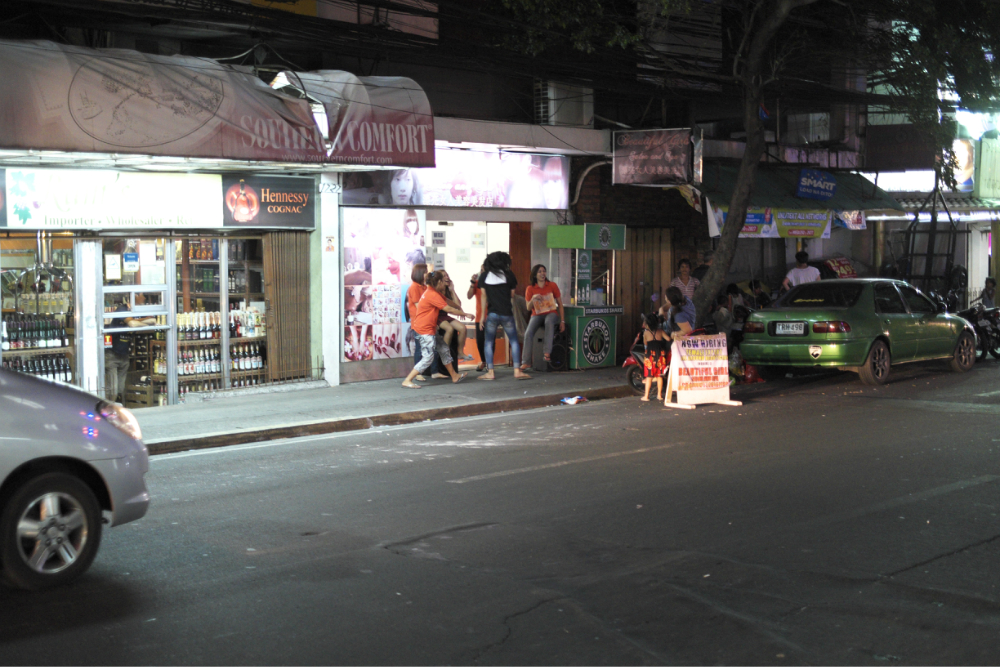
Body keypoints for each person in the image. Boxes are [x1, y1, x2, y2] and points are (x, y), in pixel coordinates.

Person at [402, 271, 473, 389]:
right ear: (439, 282)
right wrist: (465, 314)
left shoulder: (433, 292)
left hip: (430, 328)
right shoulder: (432, 294)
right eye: (443, 281)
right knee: (428, 357)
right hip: (424, 330)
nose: (445, 283)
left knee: (444, 349)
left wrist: (459, 307)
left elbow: (448, 302)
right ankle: (407, 380)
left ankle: (454, 376)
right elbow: (448, 308)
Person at [477, 251, 531, 380]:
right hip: (507, 313)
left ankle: (490, 372)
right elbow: (512, 295)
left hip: (492, 314)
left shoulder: (484, 276)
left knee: (488, 342)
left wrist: (482, 317)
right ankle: (517, 371)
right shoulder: (509, 275)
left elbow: (483, 296)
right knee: (514, 341)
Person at [104, 295, 156, 403]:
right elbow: (132, 324)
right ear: (135, 296)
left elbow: (152, 320)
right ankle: (109, 409)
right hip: (111, 354)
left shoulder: (137, 311)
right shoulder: (122, 309)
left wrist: (138, 322)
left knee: (120, 389)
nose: (145, 298)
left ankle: (117, 408)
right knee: (112, 390)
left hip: (124, 355)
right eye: (142, 295)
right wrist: (139, 322)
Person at [521, 264, 565, 371]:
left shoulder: (552, 285)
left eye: (544, 271)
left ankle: (547, 353)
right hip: (537, 314)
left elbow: (560, 304)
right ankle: (526, 362)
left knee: (549, 321)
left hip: (551, 313)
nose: (542, 273)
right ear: (535, 275)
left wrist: (562, 321)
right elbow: (528, 307)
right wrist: (533, 298)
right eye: (540, 272)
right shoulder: (530, 288)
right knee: (528, 333)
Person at [436, 271, 472, 361]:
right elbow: (449, 308)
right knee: (449, 328)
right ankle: (444, 353)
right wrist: (462, 313)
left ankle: (460, 352)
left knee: (462, 328)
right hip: (437, 316)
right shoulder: (437, 291)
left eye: (447, 275)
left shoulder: (447, 291)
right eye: (444, 276)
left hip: (445, 315)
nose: (447, 277)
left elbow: (457, 305)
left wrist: (452, 290)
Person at [640, 312, 669, 402]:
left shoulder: (646, 333)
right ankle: (659, 395)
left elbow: (645, 343)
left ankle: (646, 396)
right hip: (660, 356)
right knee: (660, 376)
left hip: (650, 357)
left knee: (649, 376)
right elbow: (668, 339)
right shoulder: (660, 331)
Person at [467, 263, 488, 371]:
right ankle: (484, 361)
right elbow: (469, 296)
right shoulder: (476, 283)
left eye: (483, 270)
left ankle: (489, 363)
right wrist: (472, 282)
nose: (481, 272)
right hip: (479, 316)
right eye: (480, 269)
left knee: (490, 341)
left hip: (491, 316)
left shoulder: (491, 283)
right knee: (480, 341)